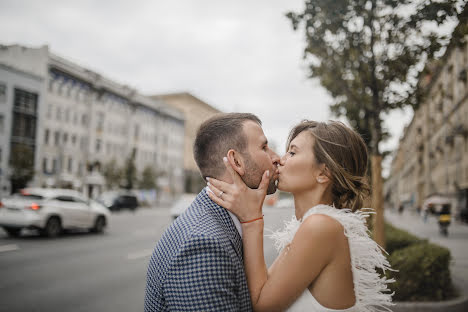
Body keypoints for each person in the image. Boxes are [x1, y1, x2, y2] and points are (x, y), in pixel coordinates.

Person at [207, 120, 394, 312]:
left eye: (293, 152)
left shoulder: (320, 227)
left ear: (323, 173)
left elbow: (263, 306)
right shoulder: (312, 225)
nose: (280, 159)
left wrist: (252, 220)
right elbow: (265, 285)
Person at [144, 113, 280, 311]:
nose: (277, 157)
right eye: (264, 147)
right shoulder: (204, 245)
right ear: (236, 161)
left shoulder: (221, 220)